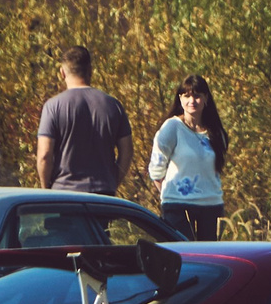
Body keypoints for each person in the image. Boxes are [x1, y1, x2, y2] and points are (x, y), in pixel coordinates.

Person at [35, 45, 131, 197]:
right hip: (103, 195)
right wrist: (112, 181)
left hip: (64, 193)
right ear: (90, 70)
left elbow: (44, 155)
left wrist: (46, 189)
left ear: (62, 73)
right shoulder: (114, 106)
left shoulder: (53, 106)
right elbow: (126, 152)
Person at [147, 75, 228, 240]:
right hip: (178, 208)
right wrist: (170, 194)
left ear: (206, 98)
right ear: (180, 99)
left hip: (210, 205)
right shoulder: (172, 127)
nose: (192, 100)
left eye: (197, 96)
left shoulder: (216, 132)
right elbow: (156, 168)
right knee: (184, 256)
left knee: (209, 259)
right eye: (187, 96)